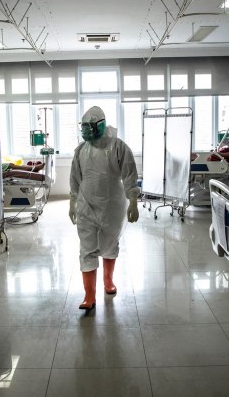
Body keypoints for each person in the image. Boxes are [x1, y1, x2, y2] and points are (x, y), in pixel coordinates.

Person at [69, 106, 140, 311]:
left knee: (110, 245)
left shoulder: (118, 147)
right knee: (87, 248)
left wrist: (133, 201)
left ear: (101, 125)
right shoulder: (81, 150)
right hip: (86, 206)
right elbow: (75, 178)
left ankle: (108, 281)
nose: (87, 132)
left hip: (112, 206)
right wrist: (72, 202)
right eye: (84, 127)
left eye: (90, 127)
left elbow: (129, 175)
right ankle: (89, 296)